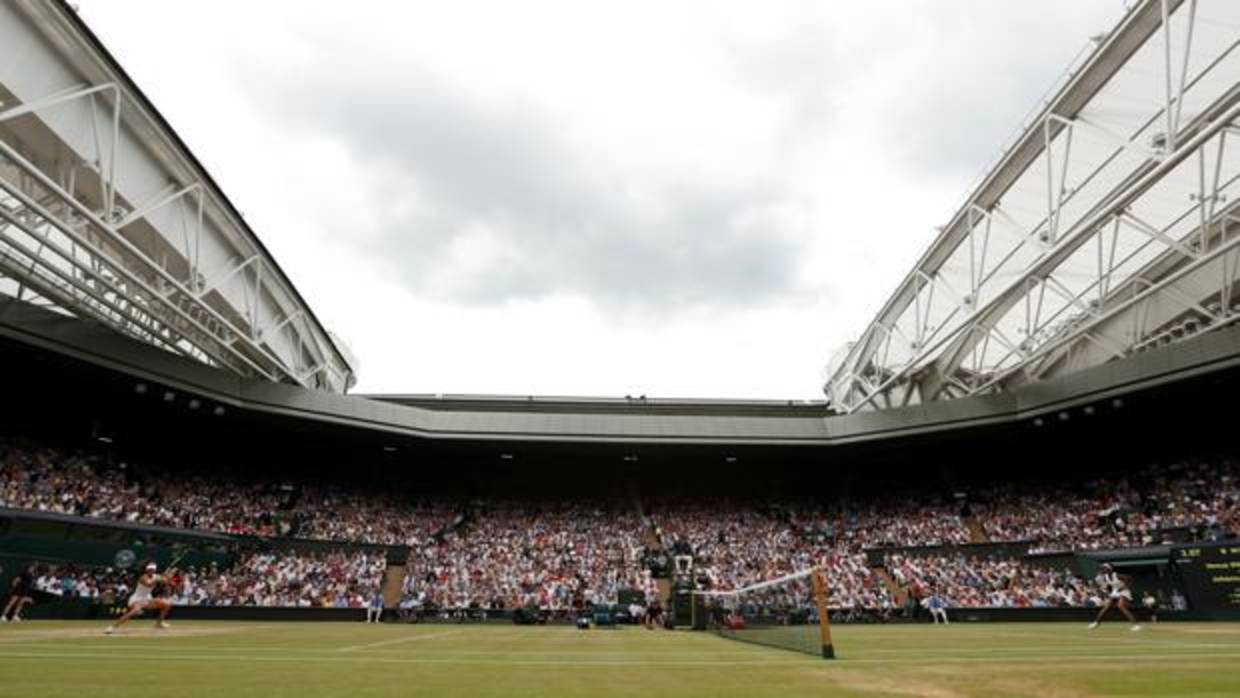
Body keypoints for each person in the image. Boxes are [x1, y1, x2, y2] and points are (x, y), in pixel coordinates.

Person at [104, 562, 174, 635]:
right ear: (147, 570)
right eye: (150, 569)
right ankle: (113, 627)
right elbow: (148, 584)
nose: (151, 571)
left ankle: (159, 624)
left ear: (154, 570)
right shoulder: (143, 577)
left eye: (152, 570)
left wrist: (168, 577)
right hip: (136, 599)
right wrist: (159, 579)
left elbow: (167, 582)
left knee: (166, 604)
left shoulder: (156, 576)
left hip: (147, 599)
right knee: (135, 611)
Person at [1088, 564, 1140, 631]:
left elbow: (1129, 578)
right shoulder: (1105, 577)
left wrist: (1124, 587)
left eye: (1105, 568)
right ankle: (1096, 623)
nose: (1103, 570)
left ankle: (1136, 625)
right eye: (1103, 568)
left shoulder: (1117, 575)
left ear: (1110, 569)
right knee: (1106, 607)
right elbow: (1106, 586)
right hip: (1115, 591)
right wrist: (1104, 590)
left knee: (1121, 606)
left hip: (1124, 591)